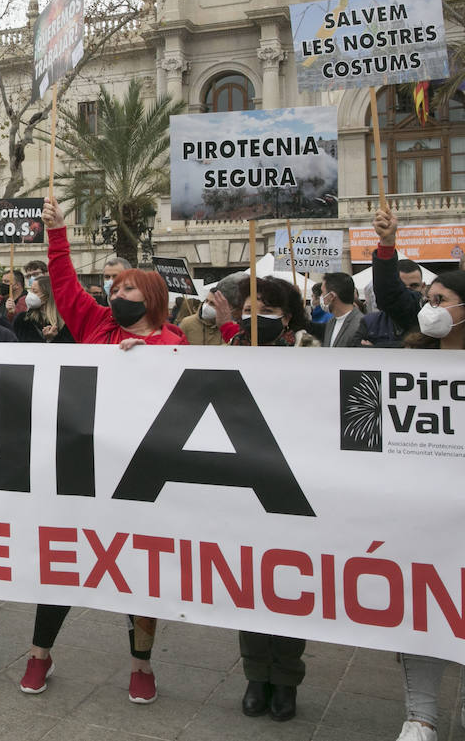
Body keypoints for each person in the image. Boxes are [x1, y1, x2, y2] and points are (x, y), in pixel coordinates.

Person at [23, 197, 187, 703]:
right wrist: (57, 234)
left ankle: (141, 665)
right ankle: (38, 656)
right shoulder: (96, 327)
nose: (116, 295)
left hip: (143, 478)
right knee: (64, 563)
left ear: (153, 296)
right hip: (83, 470)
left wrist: (150, 357)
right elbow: (66, 284)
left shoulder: (175, 342)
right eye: (113, 289)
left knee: (138, 572)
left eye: (128, 288)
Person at [372, 208, 465, 741]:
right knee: (425, 600)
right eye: (428, 301)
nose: (430, 309)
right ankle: (420, 713)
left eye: (440, 301)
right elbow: (393, 299)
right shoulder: (415, 357)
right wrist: (387, 249)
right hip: (428, 505)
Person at [206, 276, 318, 721]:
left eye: (270, 312)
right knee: (249, 591)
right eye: (253, 311)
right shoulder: (233, 350)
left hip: (294, 490)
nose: (260, 319)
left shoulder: (312, 353)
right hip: (244, 488)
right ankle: (256, 674)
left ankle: (286, 679)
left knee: (289, 590)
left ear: (287, 318)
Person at [362, 260, 425, 348]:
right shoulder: (369, 322)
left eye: (414, 286)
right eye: (402, 287)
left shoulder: (430, 321)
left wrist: (376, 348)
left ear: (423, 287)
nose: (407, 292)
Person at [12, 275, 72, 344]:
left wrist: (52, 339)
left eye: (35, 291)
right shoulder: (23, 320)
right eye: (30, 291)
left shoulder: (67, 322)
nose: (30, 295)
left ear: (48, 295)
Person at [318, 272, 366, 347]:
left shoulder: (360, 325)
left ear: (331, 296)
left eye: (322, 292)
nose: (321, 297)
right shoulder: (331, 322)